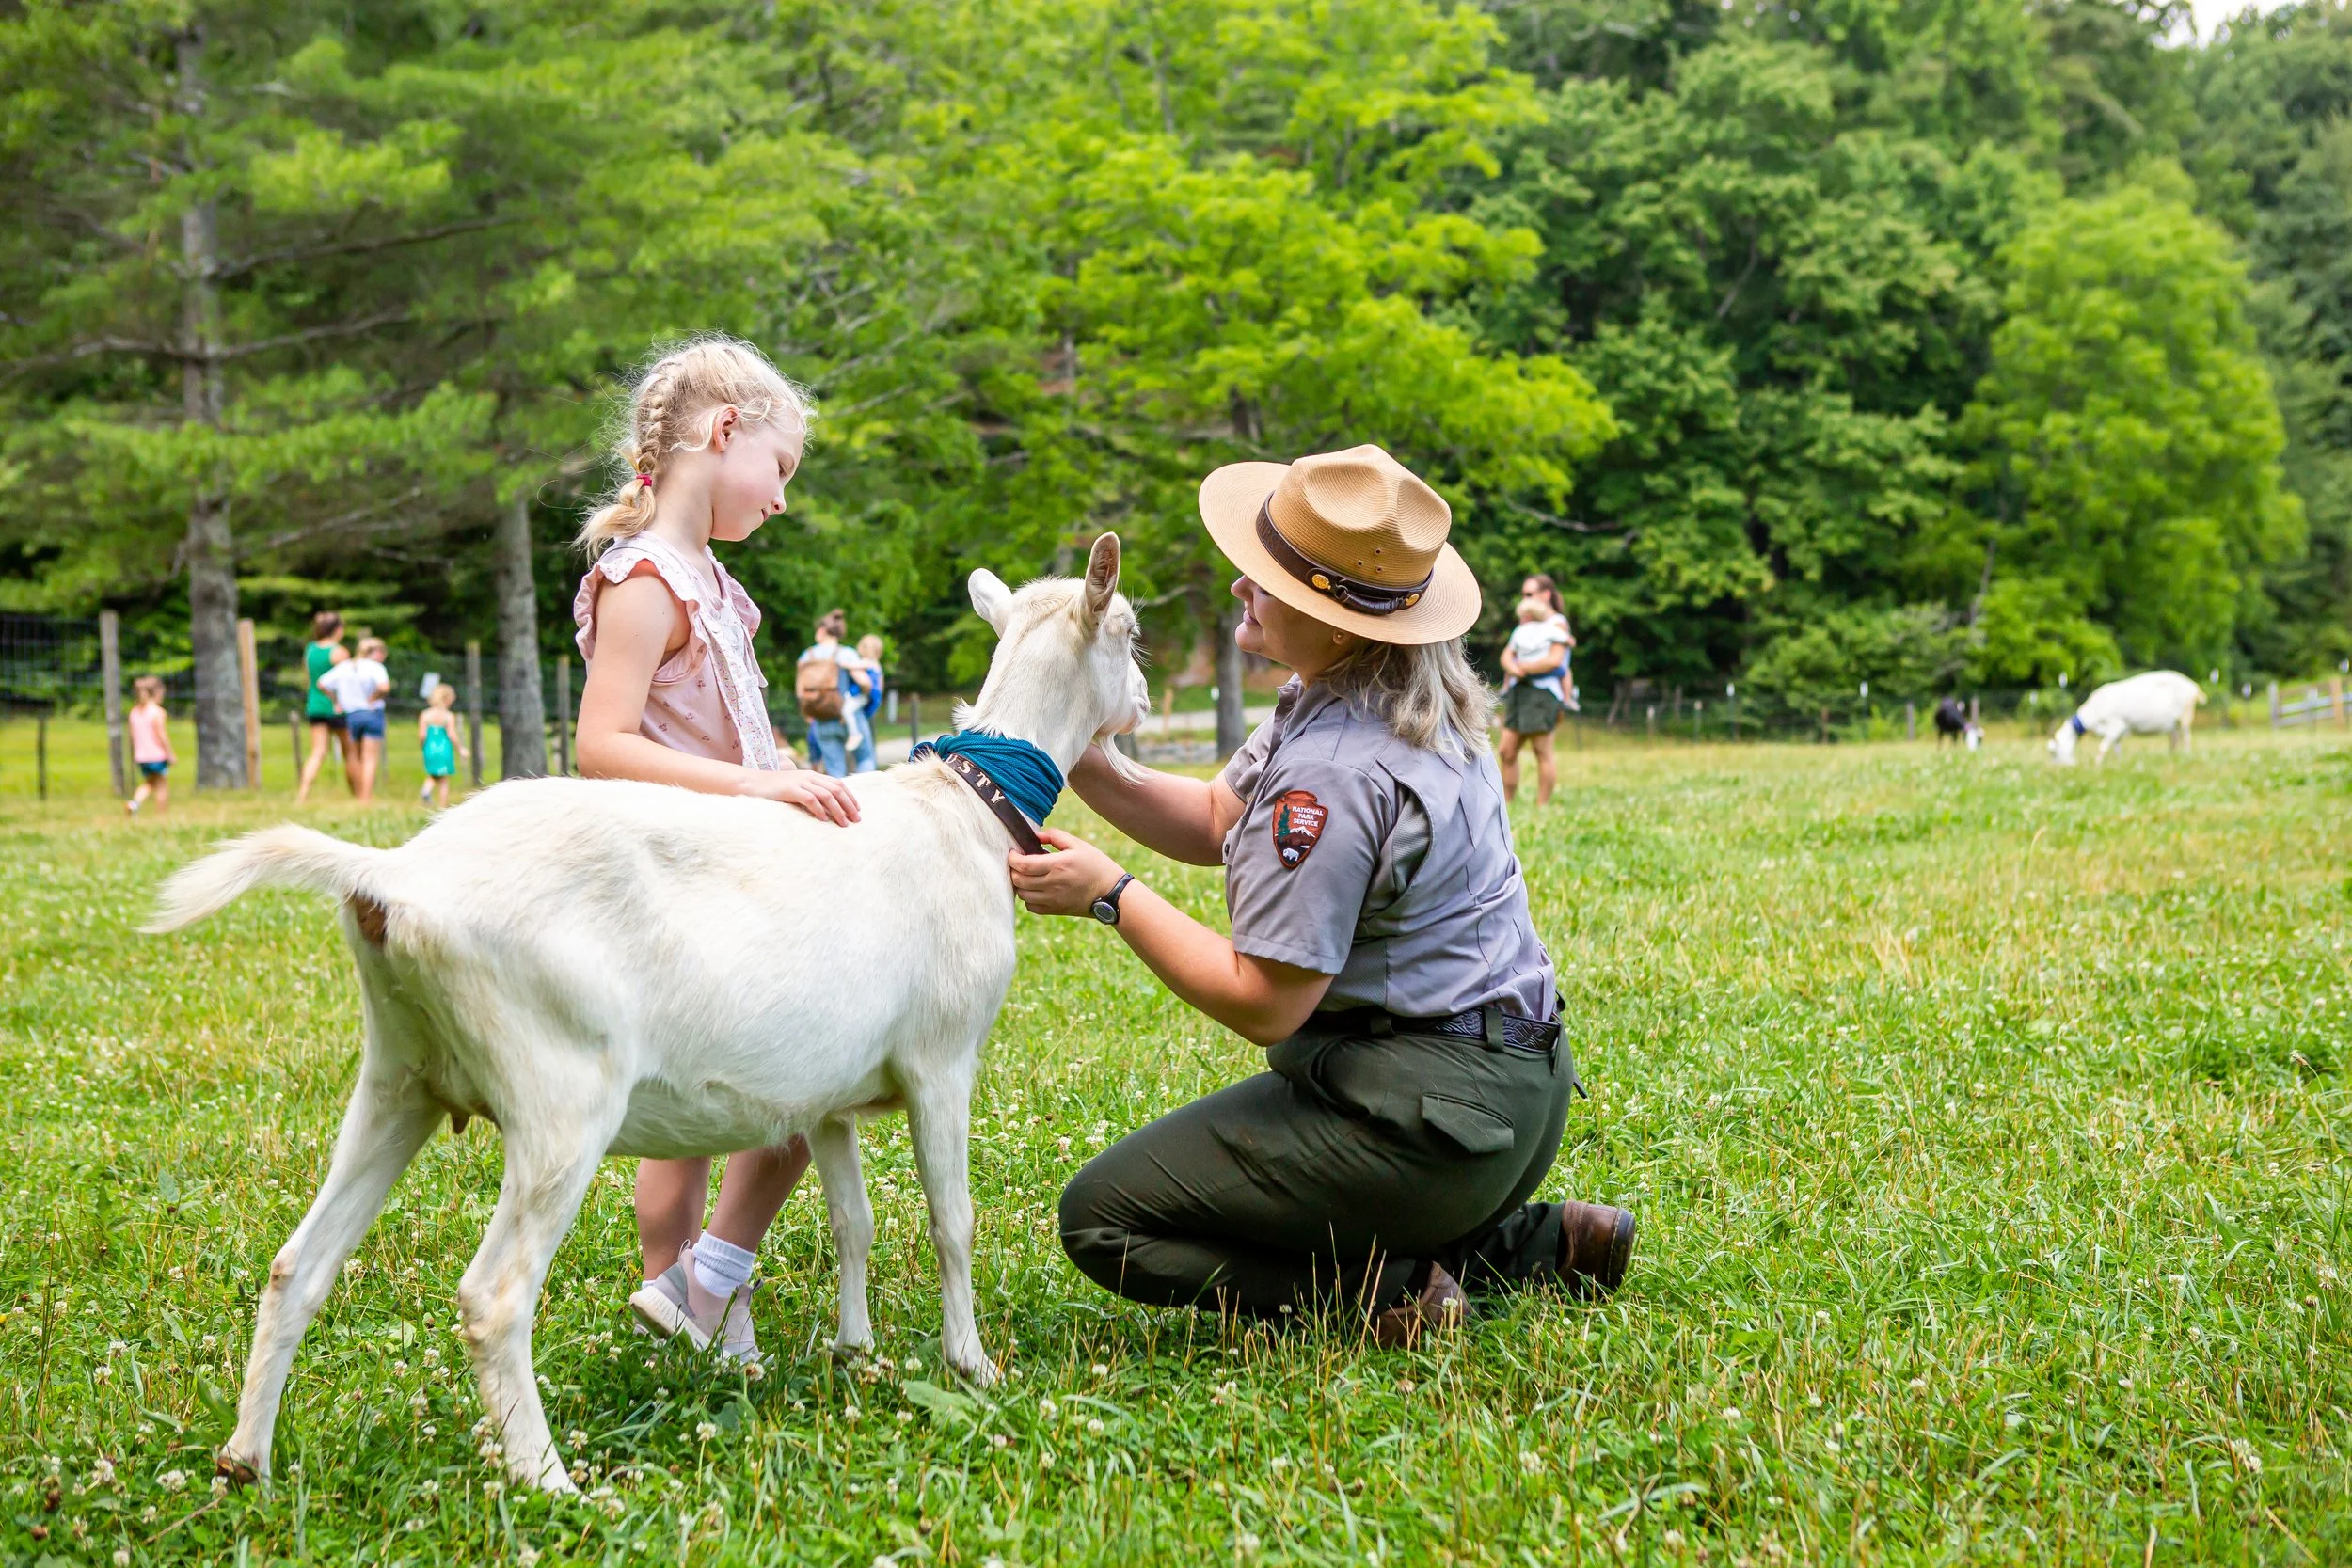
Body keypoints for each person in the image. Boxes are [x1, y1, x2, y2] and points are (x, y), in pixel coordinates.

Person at [1008, 443, 1635, 1347]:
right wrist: (1076, 749)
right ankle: (1533, 1242)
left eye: (1267, 579)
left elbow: (1266, 1001)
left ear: (1336, 620)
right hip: (1515, 1096)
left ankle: (1386, 1287)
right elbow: (1219, 814)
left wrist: (1112, 894)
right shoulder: (1377, 693)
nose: (1239, 589)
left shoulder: (1331, 775)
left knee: (1105, 1218)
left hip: (1429, 1126)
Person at [571, 334, 860, 1367]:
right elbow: (600, 744)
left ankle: (695, 1287)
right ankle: (695, 1280)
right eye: (779, 467)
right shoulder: (645, 577)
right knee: (784, 1078)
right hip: (678, 870)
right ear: (723, 432)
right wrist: (761, 783)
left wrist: (780, 765)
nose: (781, 497)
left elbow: (721, 728)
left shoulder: (713, 585)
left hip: (740, 861)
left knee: (741, 1084)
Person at [1498, 596, 1570, 806]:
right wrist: (1513, 668)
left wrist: (1522, 668)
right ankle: (1507, 802)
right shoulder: (1520, 632)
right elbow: (1507, 656)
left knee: (1542, 750)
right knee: (1506, 750)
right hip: (1519, 691)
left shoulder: (1553, 627)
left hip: (1542, 692)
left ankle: (1542, 805)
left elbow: (1555, 660)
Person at [794, 610, 870, 777]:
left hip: (822, 720)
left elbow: (800, 691)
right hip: (848, 717)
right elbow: (864, 682)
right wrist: (866, 694)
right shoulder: (847, 654)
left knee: (835, 772)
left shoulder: (807, 656)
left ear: (822, 631)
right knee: (865, 761)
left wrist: (810, 713)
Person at [317, 636, 391, 803]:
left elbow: (321, 684)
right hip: (372, 713)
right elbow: (384, 687)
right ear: (377, 652)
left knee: (354, 757)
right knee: (370, 758)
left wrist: (336, 700)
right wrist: (373, 698)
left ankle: (357, 794)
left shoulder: (345, 666)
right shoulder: (375, 667)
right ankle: (365, 798)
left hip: (352, 715)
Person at [295, 611, 354, 803]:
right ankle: (360, 795)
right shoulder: (339, 652)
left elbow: (308, 678)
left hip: (315, 705)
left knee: (318, 752)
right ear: (337, 630)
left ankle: (302, 794)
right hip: (337, 706)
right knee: (350, 753)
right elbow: (347, 681)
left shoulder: (310, 650)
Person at [124, 675, 175, 816]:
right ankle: (162, 815)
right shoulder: (157, 712)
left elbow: (132, 736)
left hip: (141, 756)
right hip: (157, 755)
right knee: (161, 786)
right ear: (157, 692)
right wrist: (169, 753)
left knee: (149, 783)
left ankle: (134, 803)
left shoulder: (134, 712)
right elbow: (161, 735)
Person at [417, 682, 467, 809]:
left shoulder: (425, 715)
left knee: (433, 774)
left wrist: (423, 746)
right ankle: (443, 806)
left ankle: (426, 790)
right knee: (443, 779)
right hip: (444, 749)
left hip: (429, 748)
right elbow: (451, 734)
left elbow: (422, 735)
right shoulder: (448, 716)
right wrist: (460, 748)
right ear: (447, 699)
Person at [850, 633, 886, 772]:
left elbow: (864, 683)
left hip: (860, 706)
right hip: (869, 707)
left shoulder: (865, 663)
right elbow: (880, 689)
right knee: (868, 751)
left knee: (864, 756)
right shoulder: (877, 665)